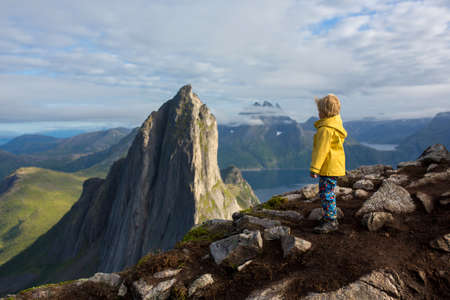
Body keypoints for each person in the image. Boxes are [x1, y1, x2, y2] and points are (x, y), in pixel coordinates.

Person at [310, 94, 347, 234]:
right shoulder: (336, 124)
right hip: (335, 166)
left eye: (319, 110)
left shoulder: (325, 129)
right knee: (329, 192)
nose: (317, 112)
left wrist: (315, 168)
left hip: (328, 167)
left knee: (326, 193)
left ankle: (331, 221)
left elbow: (321, 151)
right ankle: (329, 216)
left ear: (323, 113)